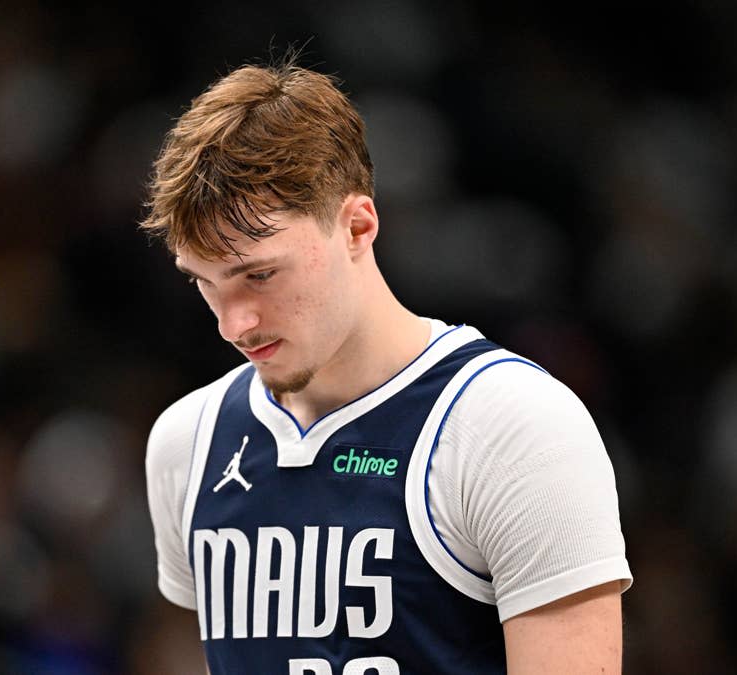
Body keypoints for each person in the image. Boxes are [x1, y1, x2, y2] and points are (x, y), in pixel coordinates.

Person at [140, 59, 632, 674]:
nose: (232, 325)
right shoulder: (186, 443)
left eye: (259, 275)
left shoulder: (514, 426)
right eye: (204, 282)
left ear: (357, 226)